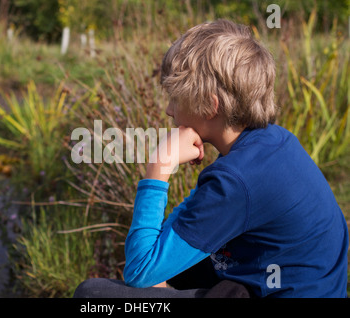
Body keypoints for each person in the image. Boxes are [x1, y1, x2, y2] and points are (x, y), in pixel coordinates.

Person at [73, 19, 348, 298]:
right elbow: (176, 236)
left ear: (210, 105)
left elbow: (139, 270)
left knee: (93, 295)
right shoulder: (274, 141)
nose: (169, 110)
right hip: (287, 282)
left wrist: (158, 169)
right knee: (178, 264)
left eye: (175, 98)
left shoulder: (235, 181)